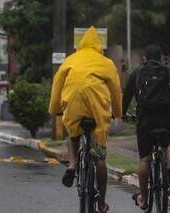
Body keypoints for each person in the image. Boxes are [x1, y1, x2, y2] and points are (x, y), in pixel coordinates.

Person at [49, 26, 122, 213]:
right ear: (99, 46)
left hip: (73, 104)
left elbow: (58, 83)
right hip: (97, 108)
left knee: (72, 133)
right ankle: (101, 202)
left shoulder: (71, 59)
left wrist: (55, 108)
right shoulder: (106, 63)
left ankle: (72, 164)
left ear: (80, 45)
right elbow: (115, 90)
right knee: (99, 156)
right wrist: (118, 113)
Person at [122, 44, 170, 210]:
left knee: (144, 159)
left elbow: (126, 97)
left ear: (144, 58)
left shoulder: (137, 74)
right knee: (164, 140)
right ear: (161, 58)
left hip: (145, 121)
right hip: (166, 120)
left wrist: (122, 115)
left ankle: (144, 198)